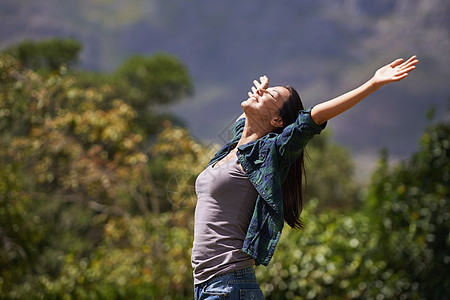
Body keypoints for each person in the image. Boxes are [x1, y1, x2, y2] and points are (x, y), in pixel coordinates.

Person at [191, 56, 419, 299]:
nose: (261, 92)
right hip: (206, 285)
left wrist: (373, 83)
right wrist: (261, 96)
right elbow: (246, 123)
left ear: (278, 121)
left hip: (229, 285)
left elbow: (314, 117)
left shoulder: (270, 152)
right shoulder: (234, 147)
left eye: (270, 95)